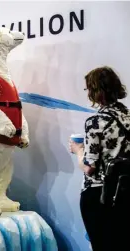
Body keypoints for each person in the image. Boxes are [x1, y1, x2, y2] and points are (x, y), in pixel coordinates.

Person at [69, 66, 130, 251]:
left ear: (96, 91)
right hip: (126, 191)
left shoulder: (95, 122)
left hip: (100, 194)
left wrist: (78, 150)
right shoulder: (128, 117)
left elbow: (89, 167)